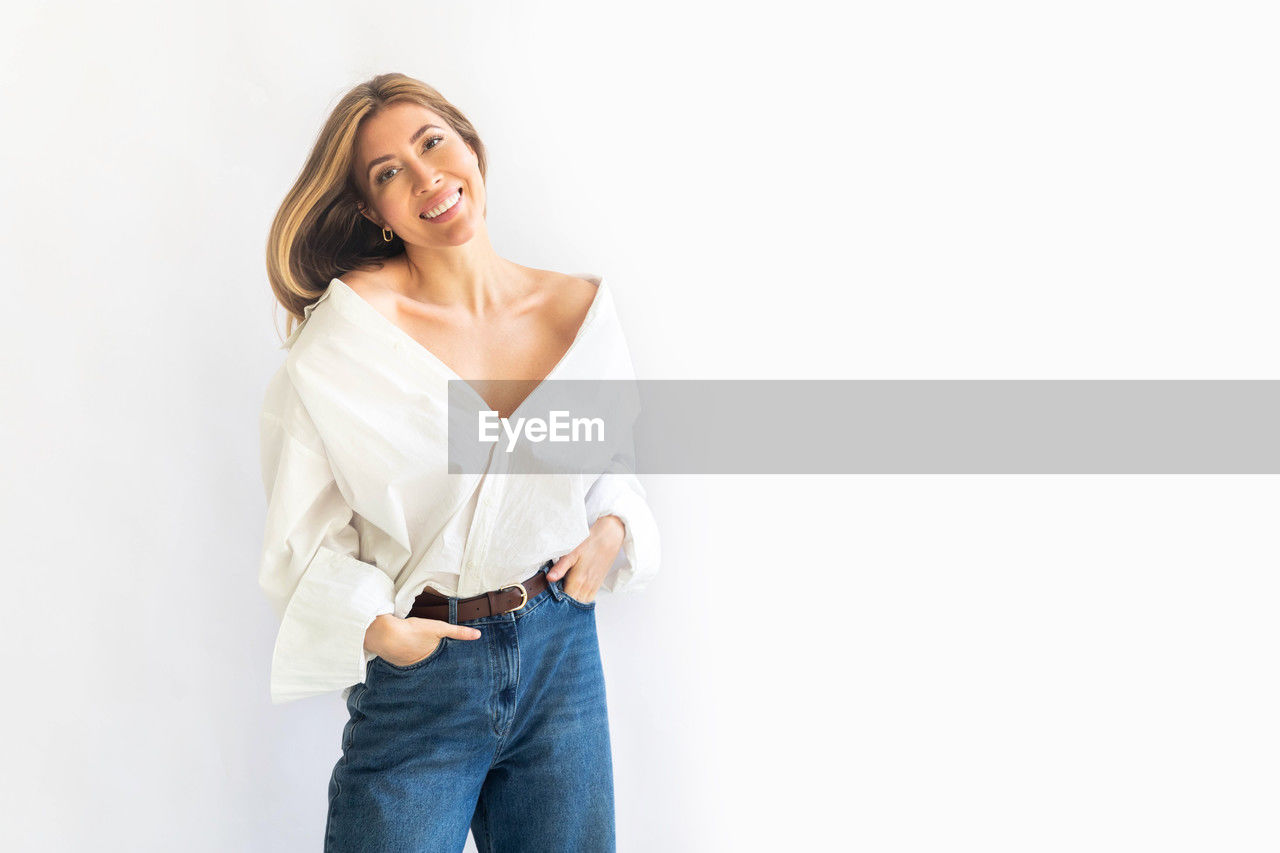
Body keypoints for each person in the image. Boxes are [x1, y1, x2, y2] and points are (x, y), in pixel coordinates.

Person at [257, 72, 660, 852]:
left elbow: (609, 459)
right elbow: (303, 528)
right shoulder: (348, 339)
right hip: (426, 671)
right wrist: (379, 628)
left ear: (470, 147)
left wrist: (613, 527)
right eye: (388, 173)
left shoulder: (577, 312)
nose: (425, 175)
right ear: (374, 211)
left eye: (432, 142)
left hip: (561, 656)